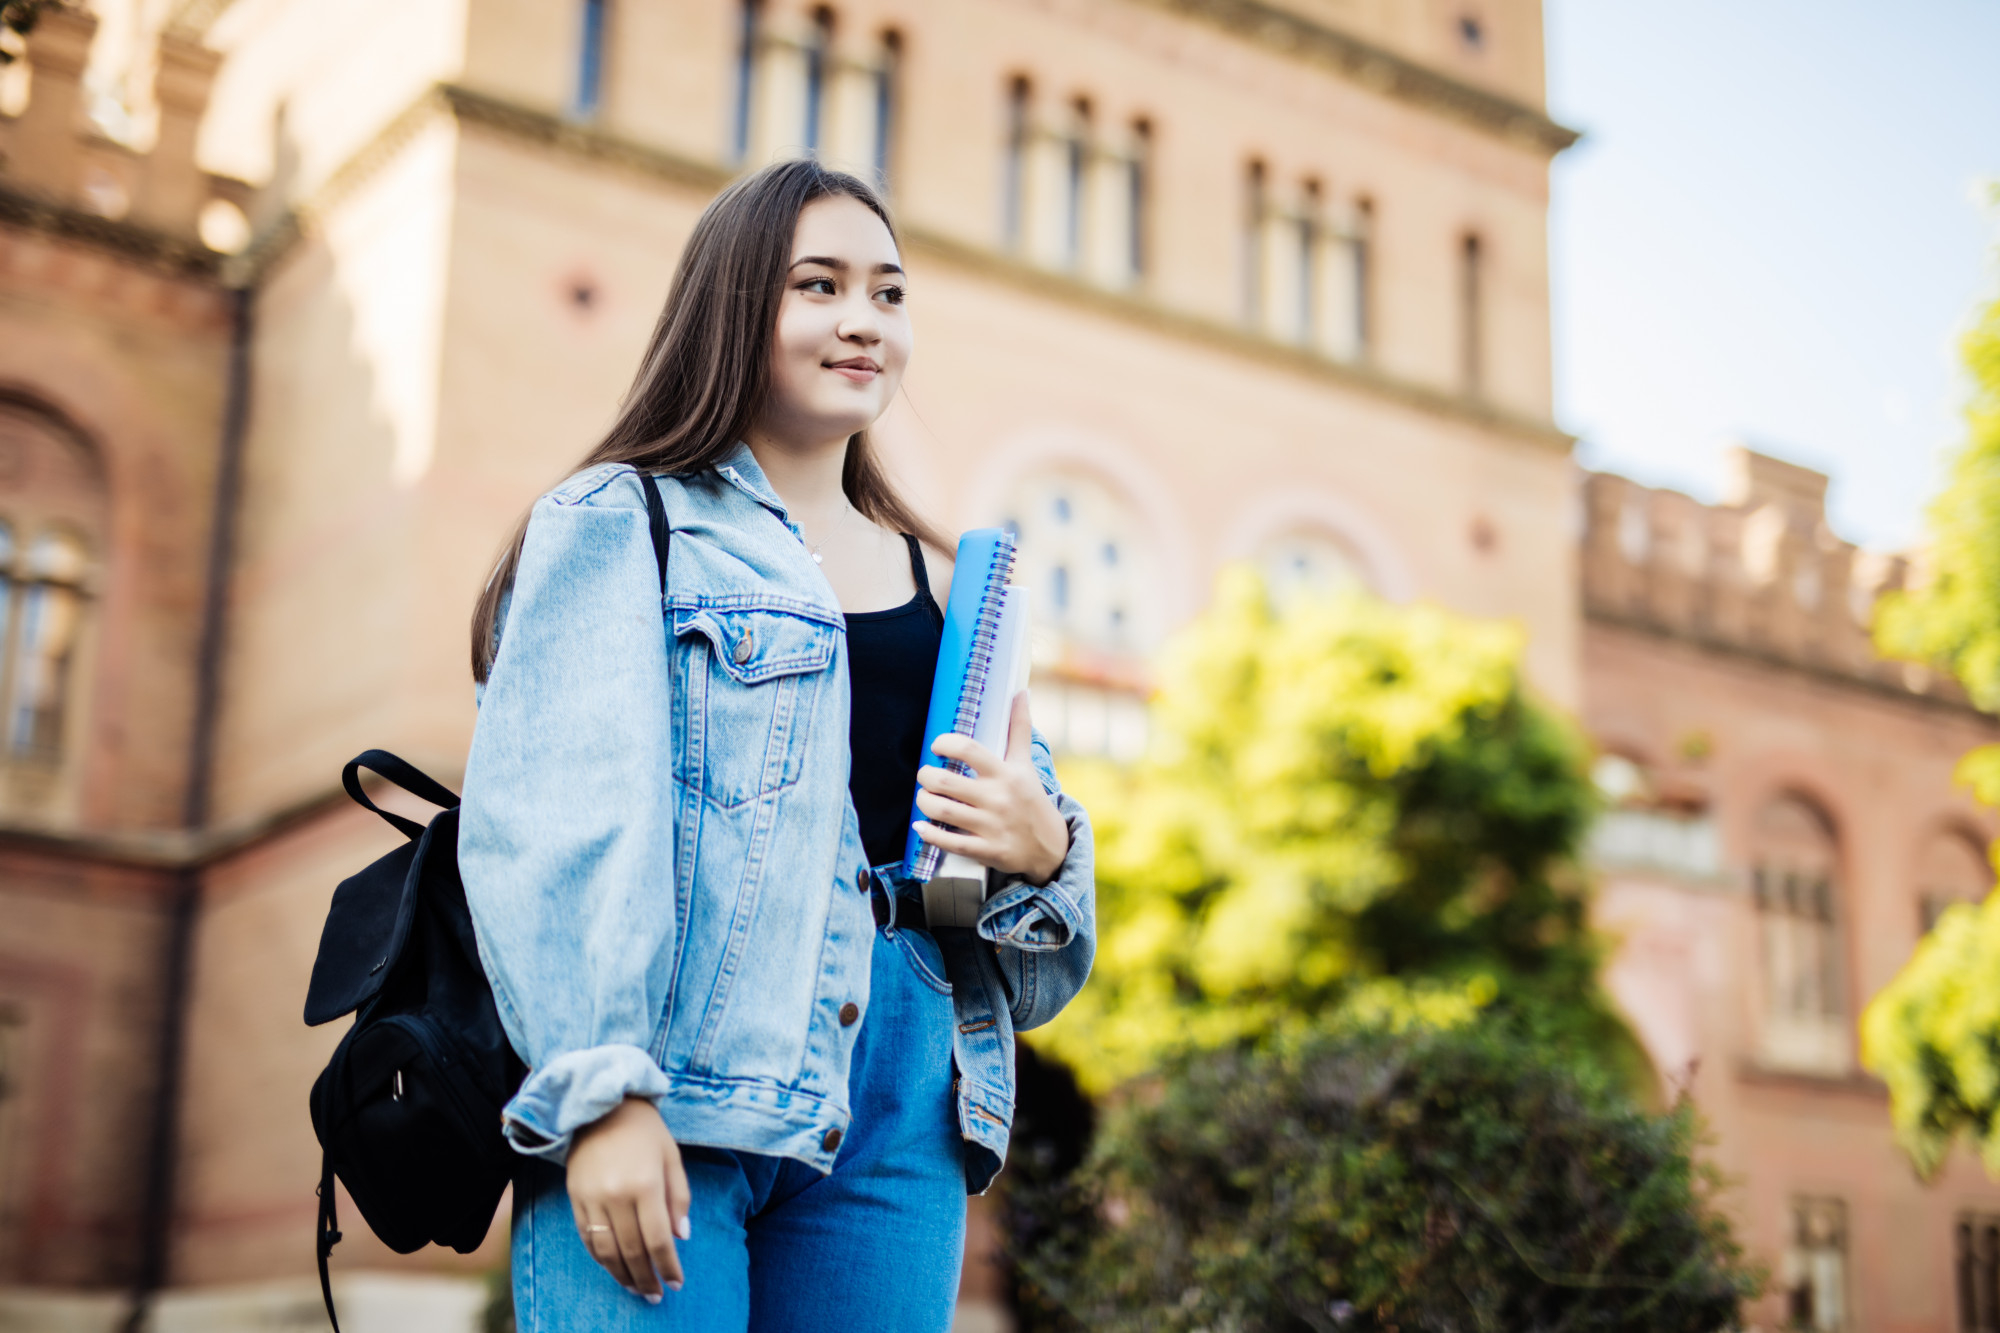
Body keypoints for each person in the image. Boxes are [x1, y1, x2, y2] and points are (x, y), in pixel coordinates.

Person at [458, 159, 1096, 1332]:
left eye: (889, 294)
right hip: (677, 1075)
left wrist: (1043, 843)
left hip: (907, 1098)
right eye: (820, 286)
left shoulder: (950, 583)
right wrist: (599, 1094)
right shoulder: (621, 521)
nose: (864, 321)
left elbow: (1040, 951)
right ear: (735, 305)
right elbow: (551, 823)